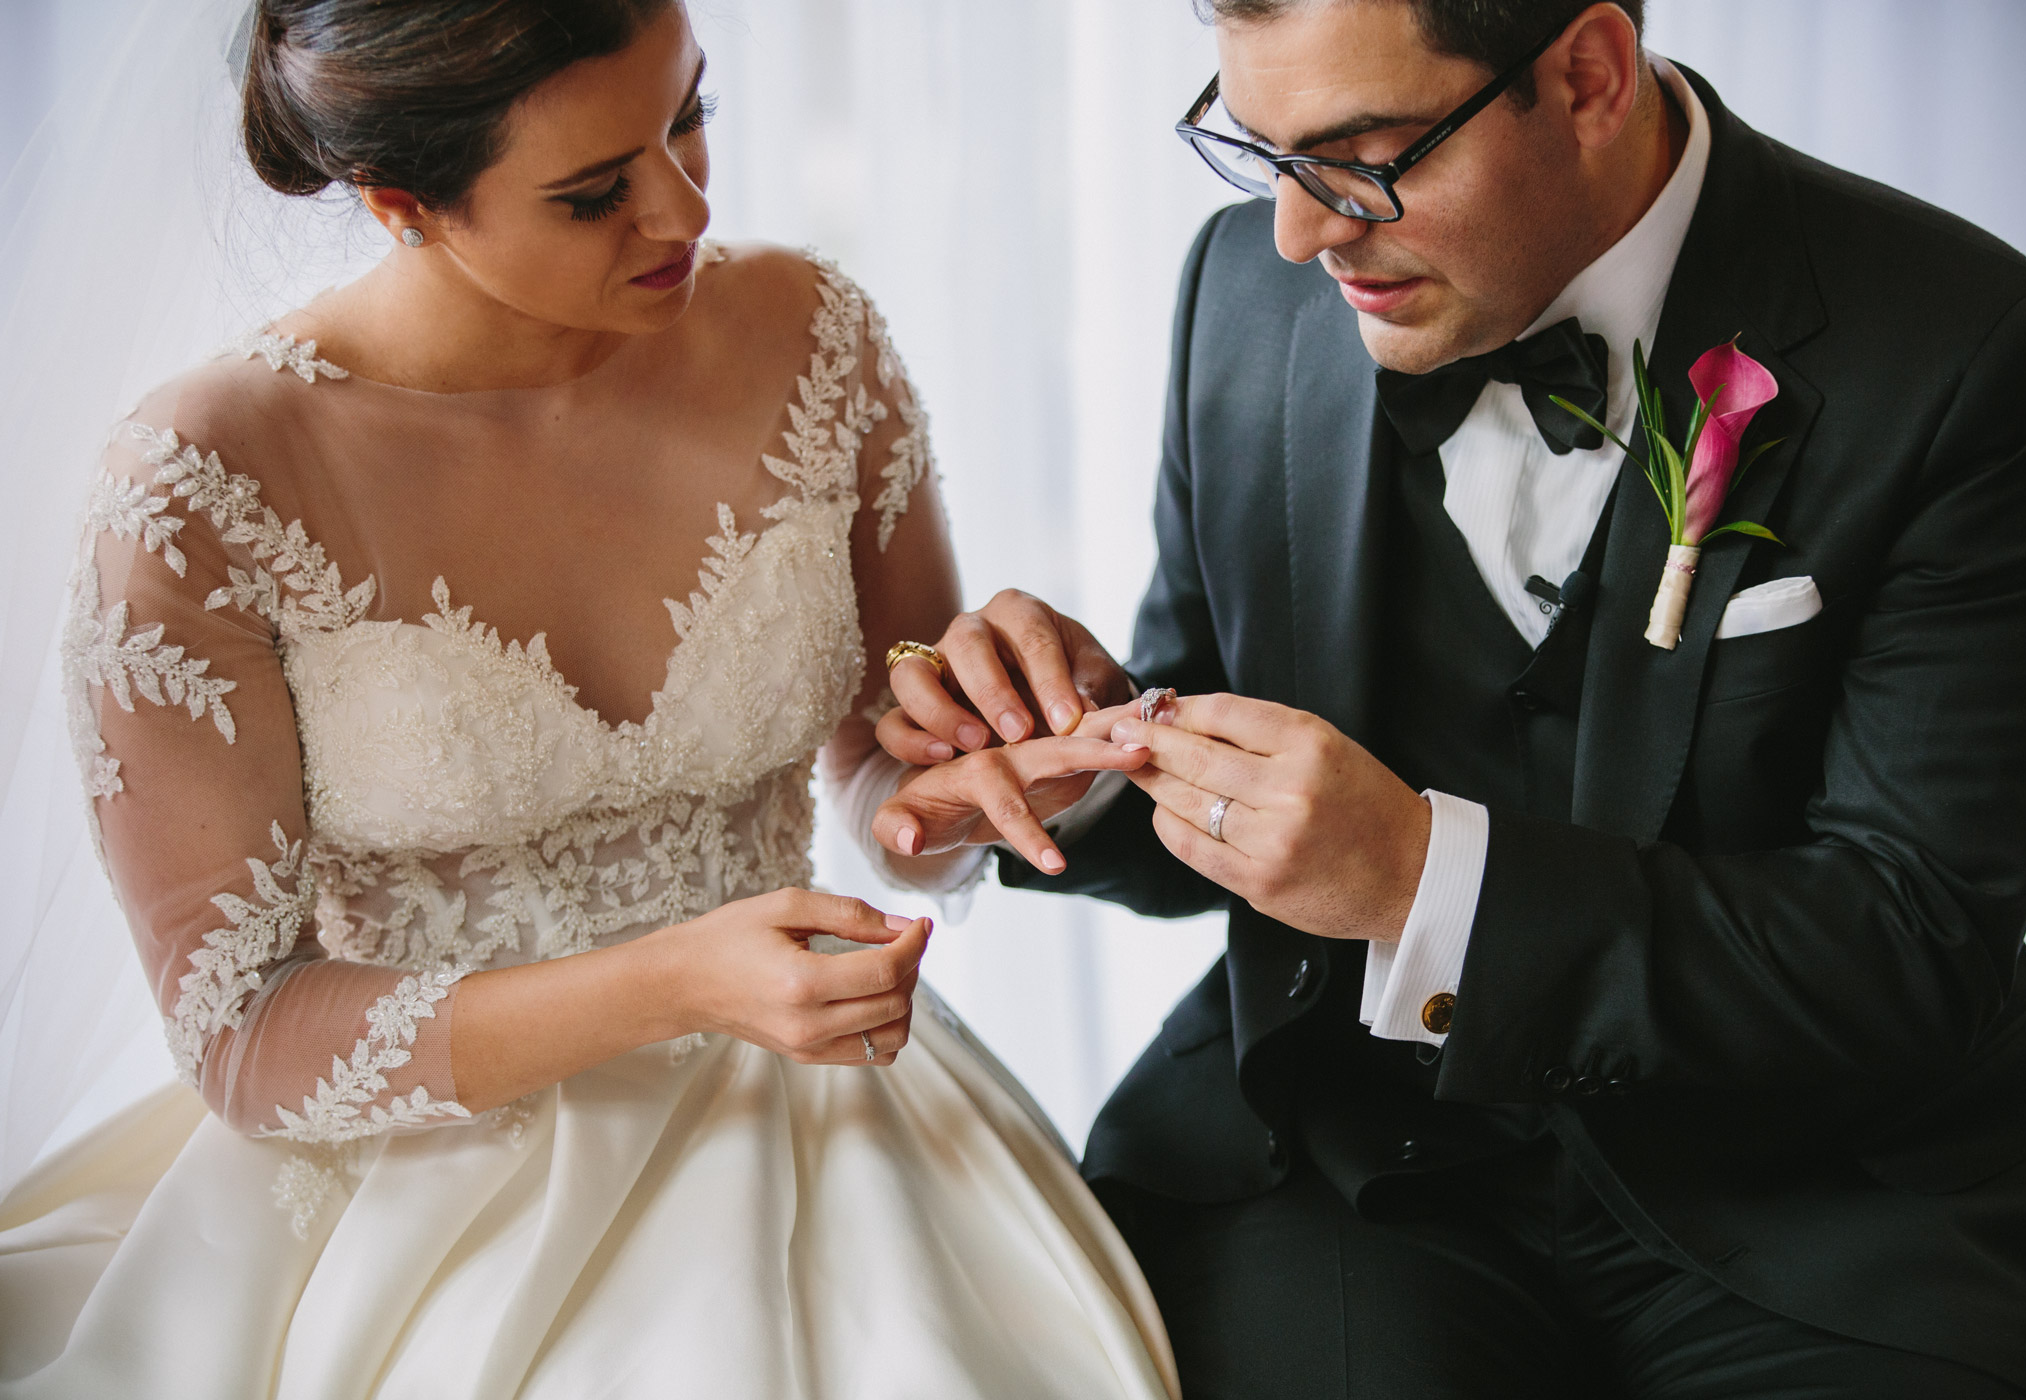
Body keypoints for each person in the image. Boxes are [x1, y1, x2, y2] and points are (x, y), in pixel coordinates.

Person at [870, 0, 2026, 1395]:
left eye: (1360, 157)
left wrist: (1417, 882)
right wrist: (1070, 756)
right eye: (1255, 149)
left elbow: (1910, 937)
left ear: (1586, 75)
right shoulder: (1249, 291)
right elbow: (1207, 684)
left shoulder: (1986, 363)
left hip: (1827, 1192)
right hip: (1336, 1160)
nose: (1294, 232)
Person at [0, 2, 1179, 1396]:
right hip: (412, 1193)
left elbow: (881, 756)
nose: (683, 206)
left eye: (690, 117)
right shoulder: (206, 488)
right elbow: (243, 1035)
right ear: (401, 204)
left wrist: (979, 775)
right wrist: (679, 979)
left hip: (838, 1144)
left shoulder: (810, 334)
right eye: (592, 192)